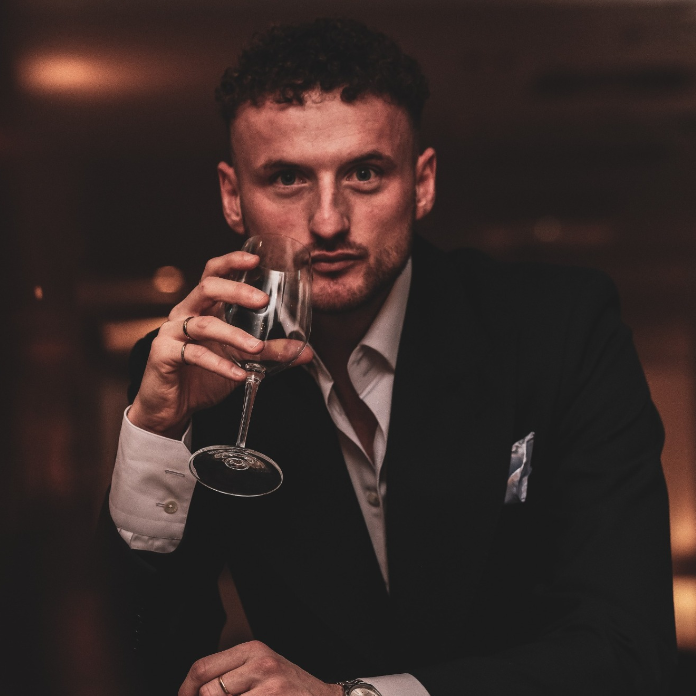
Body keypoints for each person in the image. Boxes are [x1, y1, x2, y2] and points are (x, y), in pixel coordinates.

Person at [100, 17, 676, 696]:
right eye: (286, 178)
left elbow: (628, 650)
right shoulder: (197, 365)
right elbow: (157, 664)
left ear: (422, 183)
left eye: (365, 173)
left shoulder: (560, 328)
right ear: (233, 196)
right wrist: (157, 437)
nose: (328, 222)